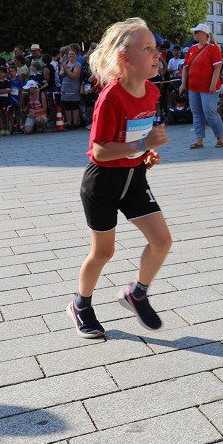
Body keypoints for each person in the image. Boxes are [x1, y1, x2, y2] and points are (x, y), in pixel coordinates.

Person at [71, 17, 172, 337]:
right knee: (103, 252)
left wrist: (145, 154)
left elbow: (133, 136)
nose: (158, 54)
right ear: (125, 57)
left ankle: (137, 293)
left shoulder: (153, 91)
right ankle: (81, 304)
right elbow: (100, 151)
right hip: (102, 183)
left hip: (134, 177)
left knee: (162, 240)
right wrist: (144, 144)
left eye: (156, 48)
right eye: (148, 48)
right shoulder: (111, 97)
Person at [180, 23, 223, 148]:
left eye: (196, 32)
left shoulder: (213, 49)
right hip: (193, 87)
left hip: (208, 87)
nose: (194, 34)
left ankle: (220, 137)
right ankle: (199, 140)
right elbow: (185, 68)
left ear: (204, 33)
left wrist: (212, 84)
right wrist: (183, 84)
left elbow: (217, 68)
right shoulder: (191, 49)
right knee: (196, 113)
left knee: (209, 112)